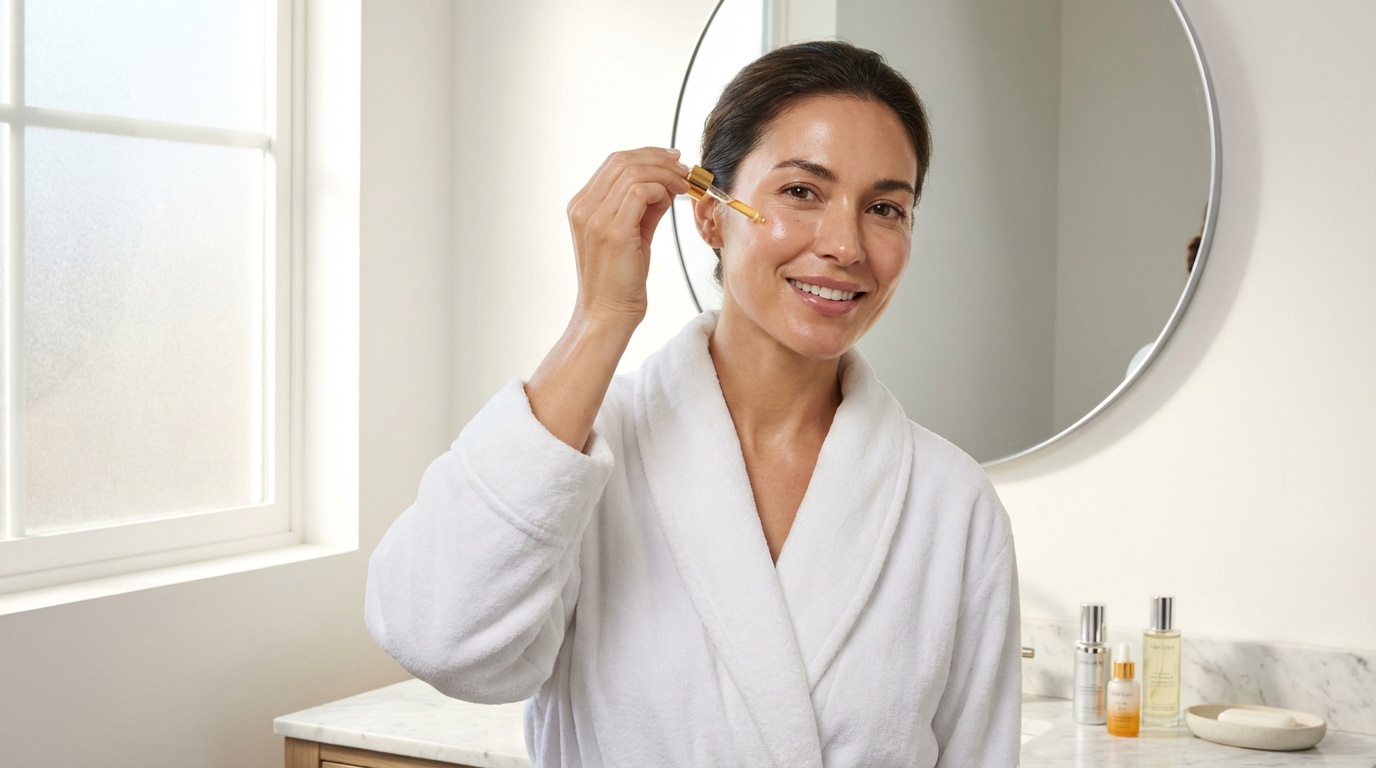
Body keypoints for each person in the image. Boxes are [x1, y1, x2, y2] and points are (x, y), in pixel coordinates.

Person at [366, 40, 1020, 767]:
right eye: (802, 191)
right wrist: (601, 315)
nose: (845, 245)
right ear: (711, 216)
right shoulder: (580, 455)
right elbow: (438, 638)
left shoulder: (950, 502)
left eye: (885, 207)